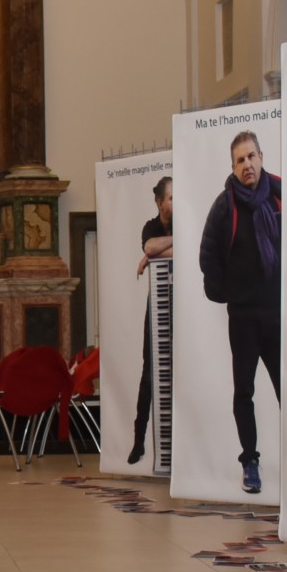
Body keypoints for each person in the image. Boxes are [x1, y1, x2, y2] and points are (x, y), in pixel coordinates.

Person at [197, 130, 283, 494]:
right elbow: (207, 256)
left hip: (277, 315)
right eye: (240, 160)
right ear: (232, 167)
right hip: (244, 318)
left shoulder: (280, 194)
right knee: (244, 391)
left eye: (252, 156)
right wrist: (227, 294)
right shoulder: (224, 206)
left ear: (261, 157)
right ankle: (250, 462)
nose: (247, 164)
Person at [127, 175, 174, 465]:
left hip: (182, 306)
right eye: (171, 198)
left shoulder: (183, 222)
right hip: (156, 306)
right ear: (159, 202)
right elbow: (149, 247)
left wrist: (158, 252)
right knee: (149, 373)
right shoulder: (150, 226)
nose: (176, 203)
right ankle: (139, 441)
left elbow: (160, 250)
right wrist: (157, 251)